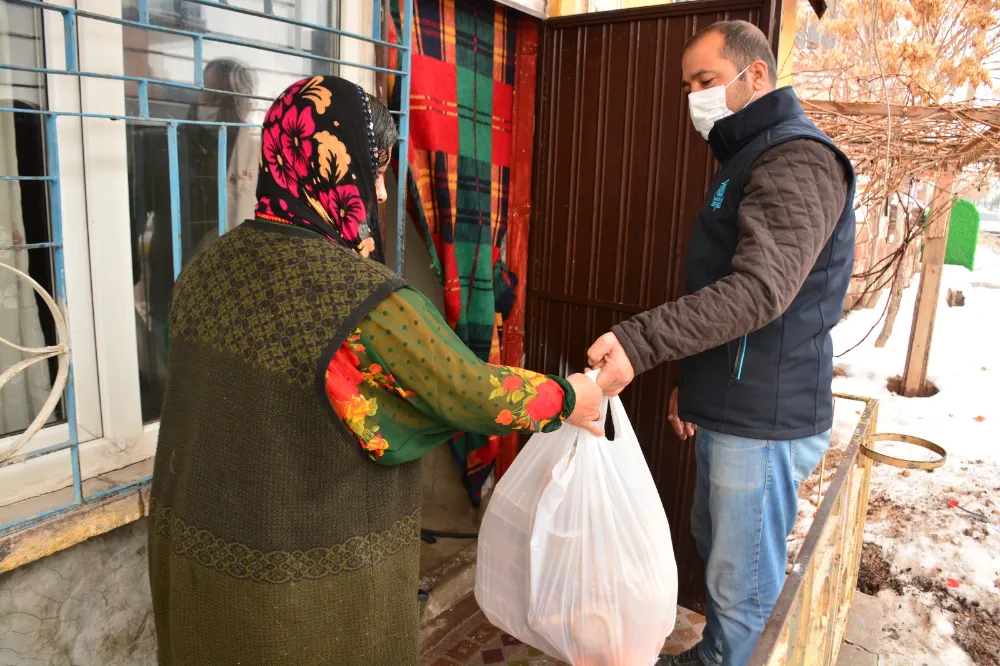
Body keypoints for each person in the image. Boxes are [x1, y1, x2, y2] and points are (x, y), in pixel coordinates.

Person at [147, 75, 604, 666]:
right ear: (334, 168)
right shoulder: (366, 301)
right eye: (378, 169)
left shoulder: (209, 264)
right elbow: (469, 394)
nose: (383, 195)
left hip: (195, 561)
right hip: (298, 594)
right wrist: (572, 397)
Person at [586, 21, 855, 666]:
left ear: (755, 75)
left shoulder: (797, 159)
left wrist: (641, 341)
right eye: (688, 86)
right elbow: (725, 295)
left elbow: (759, 292)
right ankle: (718, 654)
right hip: (731, 405)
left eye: (707, 81)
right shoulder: (750, 155)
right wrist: (693, 387)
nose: (695, 98)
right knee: (720, 552)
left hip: (763, 418)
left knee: (743, 587)